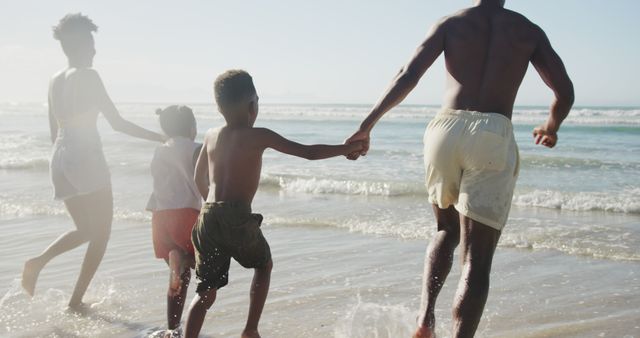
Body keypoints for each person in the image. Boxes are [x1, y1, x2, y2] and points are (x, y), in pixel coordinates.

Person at [345, 1, 574, 337]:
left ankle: (425, 321)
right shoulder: (527, 30)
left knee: (445, 230)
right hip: (492, 134)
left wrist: (367, 125)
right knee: (476, 260)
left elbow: (407, 75)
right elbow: (564, 91)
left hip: (445, 131)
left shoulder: (450, 23)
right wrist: (551, 125)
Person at [183, 70, 364, 338]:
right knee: (263, 265)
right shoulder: (259, 135)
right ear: (252, 105)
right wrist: (345, 149)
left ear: (219, 106)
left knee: (205, 292)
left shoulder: (211, 135)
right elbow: (308, 153)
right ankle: (250, 329)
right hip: (237, 216)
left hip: (207, 217)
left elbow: (199, 177)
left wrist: (213, 208)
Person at [21, 13, 165, 310]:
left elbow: (54, 130)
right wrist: (160, 138)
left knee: (87, 230)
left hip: (59, 157)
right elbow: (117, 123)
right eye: (91, 43)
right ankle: (75, 300)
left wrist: (64, 162)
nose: (95, 50)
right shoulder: (89, 76)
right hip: (85, 155)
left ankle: (38, 262)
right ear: (81, 44)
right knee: (102, 234)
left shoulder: (54, 79)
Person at [146, 105, 202, 336]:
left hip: (161, 217)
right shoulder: (197, 149)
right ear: (191, 128)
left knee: (178, 276)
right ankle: (185, 259)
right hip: (187, 214)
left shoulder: (160, 150)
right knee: (202, 265)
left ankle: (172, 327)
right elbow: (206, 182)